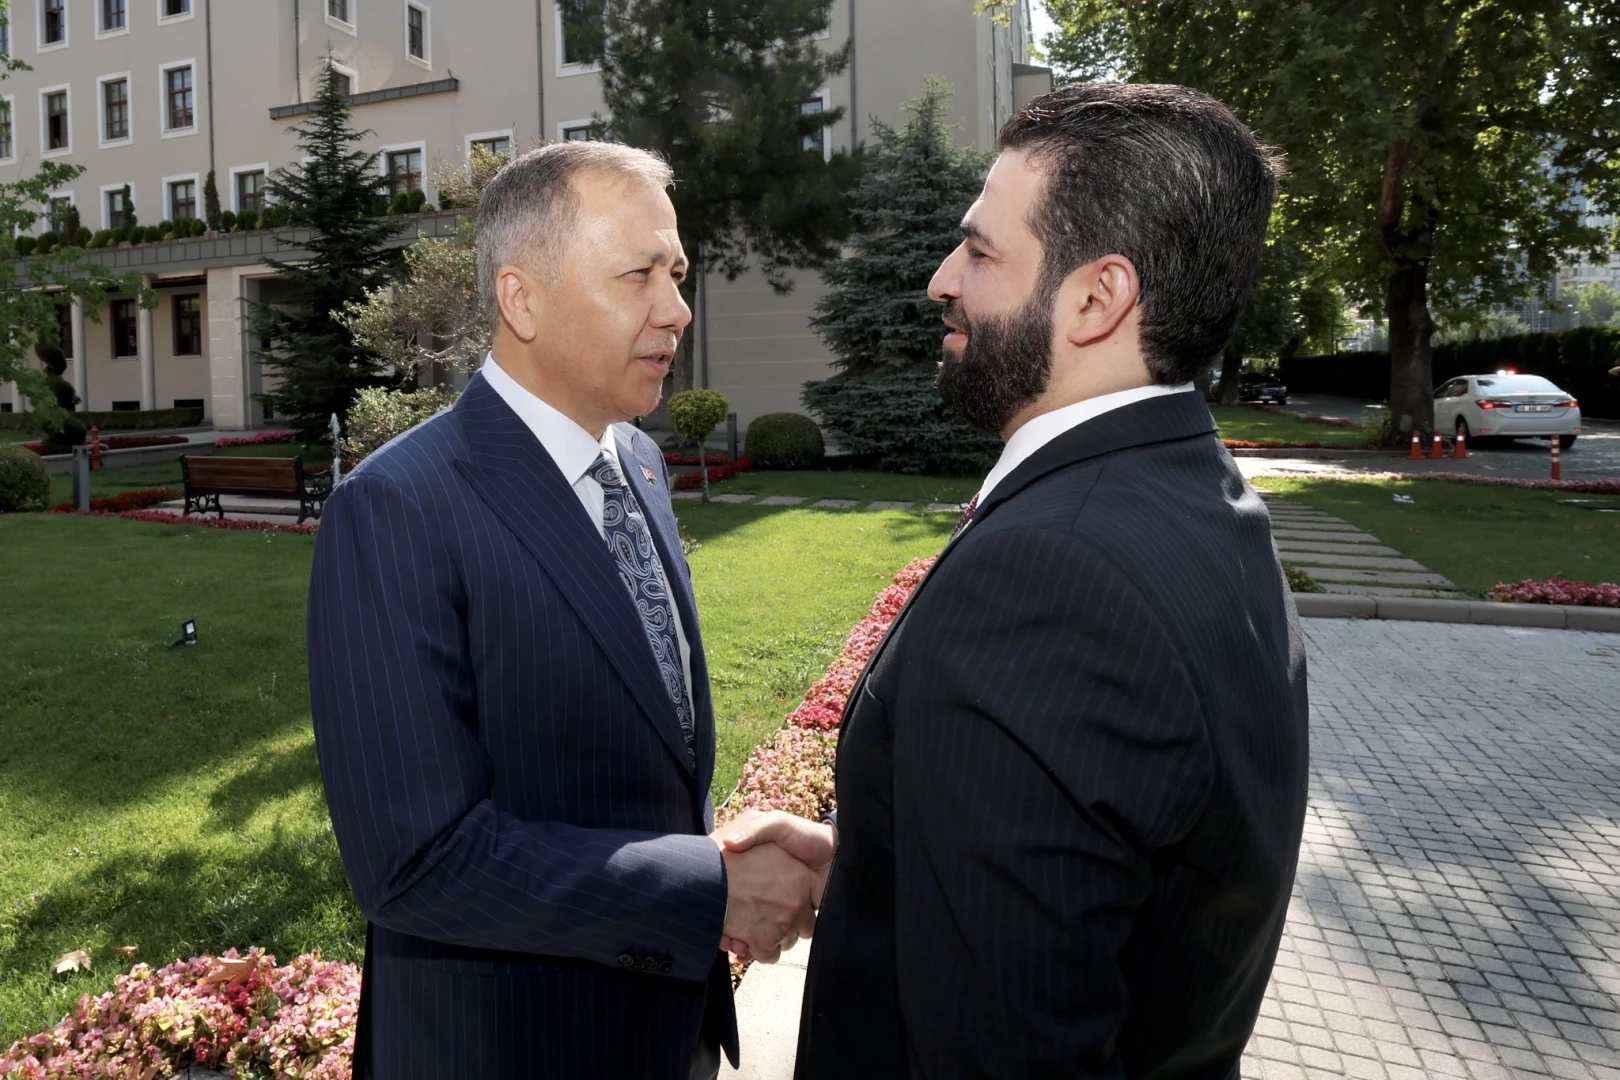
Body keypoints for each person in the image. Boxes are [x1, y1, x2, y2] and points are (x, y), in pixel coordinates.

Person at [730, 82, 1311, 1077]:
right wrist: (886, 854)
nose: (940, 280)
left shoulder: (1051, 577)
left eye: (980, 251)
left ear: (1097, 298)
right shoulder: (1192, 491)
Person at [306, 142, 821, 1080]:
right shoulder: (396, 509)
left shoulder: (640, 462)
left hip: (665, 1032)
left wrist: (723, 851)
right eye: (638, 275)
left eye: (677, 273)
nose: (676, 308)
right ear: (522, 299)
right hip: (510, 1046)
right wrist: (704, 890)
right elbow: (414, 862)